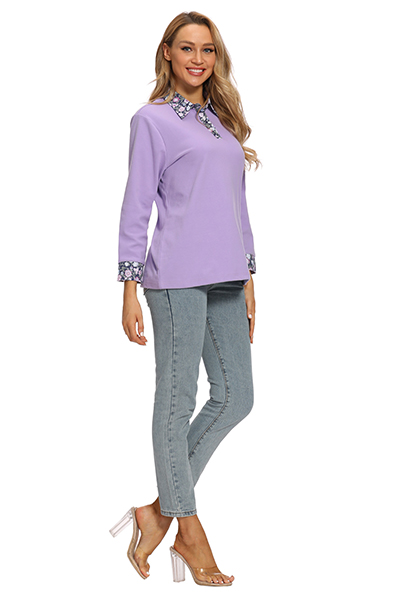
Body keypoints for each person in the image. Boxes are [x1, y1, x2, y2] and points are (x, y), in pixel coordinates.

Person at [110, 11, 260, 587]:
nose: (198, 59)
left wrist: (250, 276)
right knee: (177, 401)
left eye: (207, 50)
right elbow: (136, 204)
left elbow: (237, 205)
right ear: (168, 53)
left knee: (237, 397)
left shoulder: (221, 122)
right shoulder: (151, 120)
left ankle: (157, 511)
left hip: (227, 278)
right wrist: (129, 286)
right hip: (173, 278)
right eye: (188, 48)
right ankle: (189, 530)